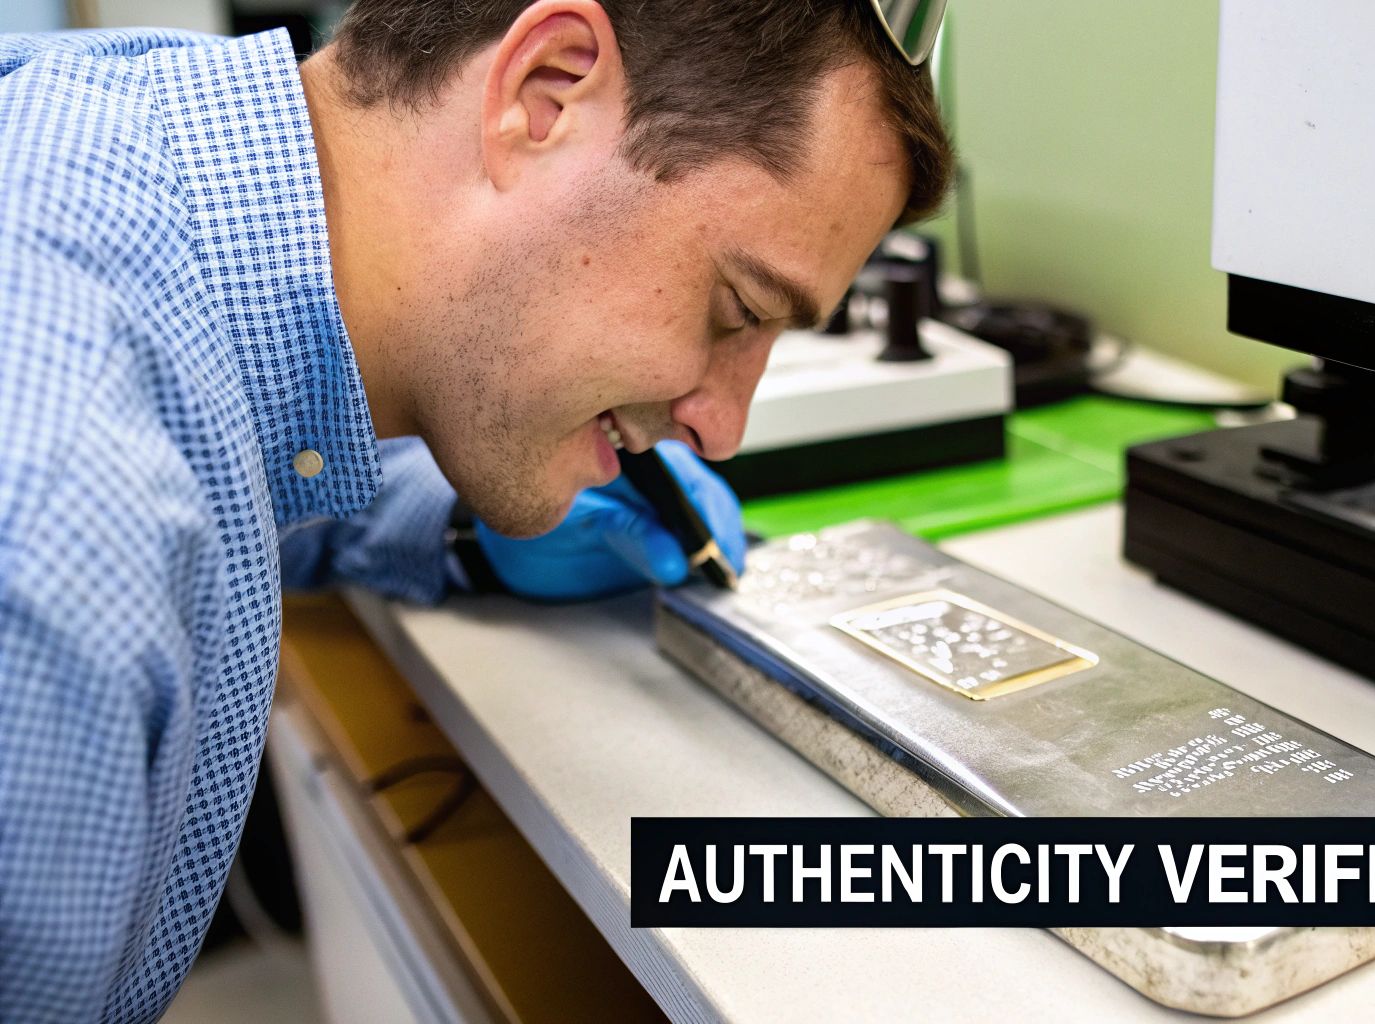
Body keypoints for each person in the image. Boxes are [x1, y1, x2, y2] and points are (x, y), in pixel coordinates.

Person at [0, 0, 952, 1017]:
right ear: (544, 93)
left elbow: (231, 433)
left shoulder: (125, 138)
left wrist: (451, 526)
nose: (721, 426)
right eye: (739, 308)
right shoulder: (55, 548)